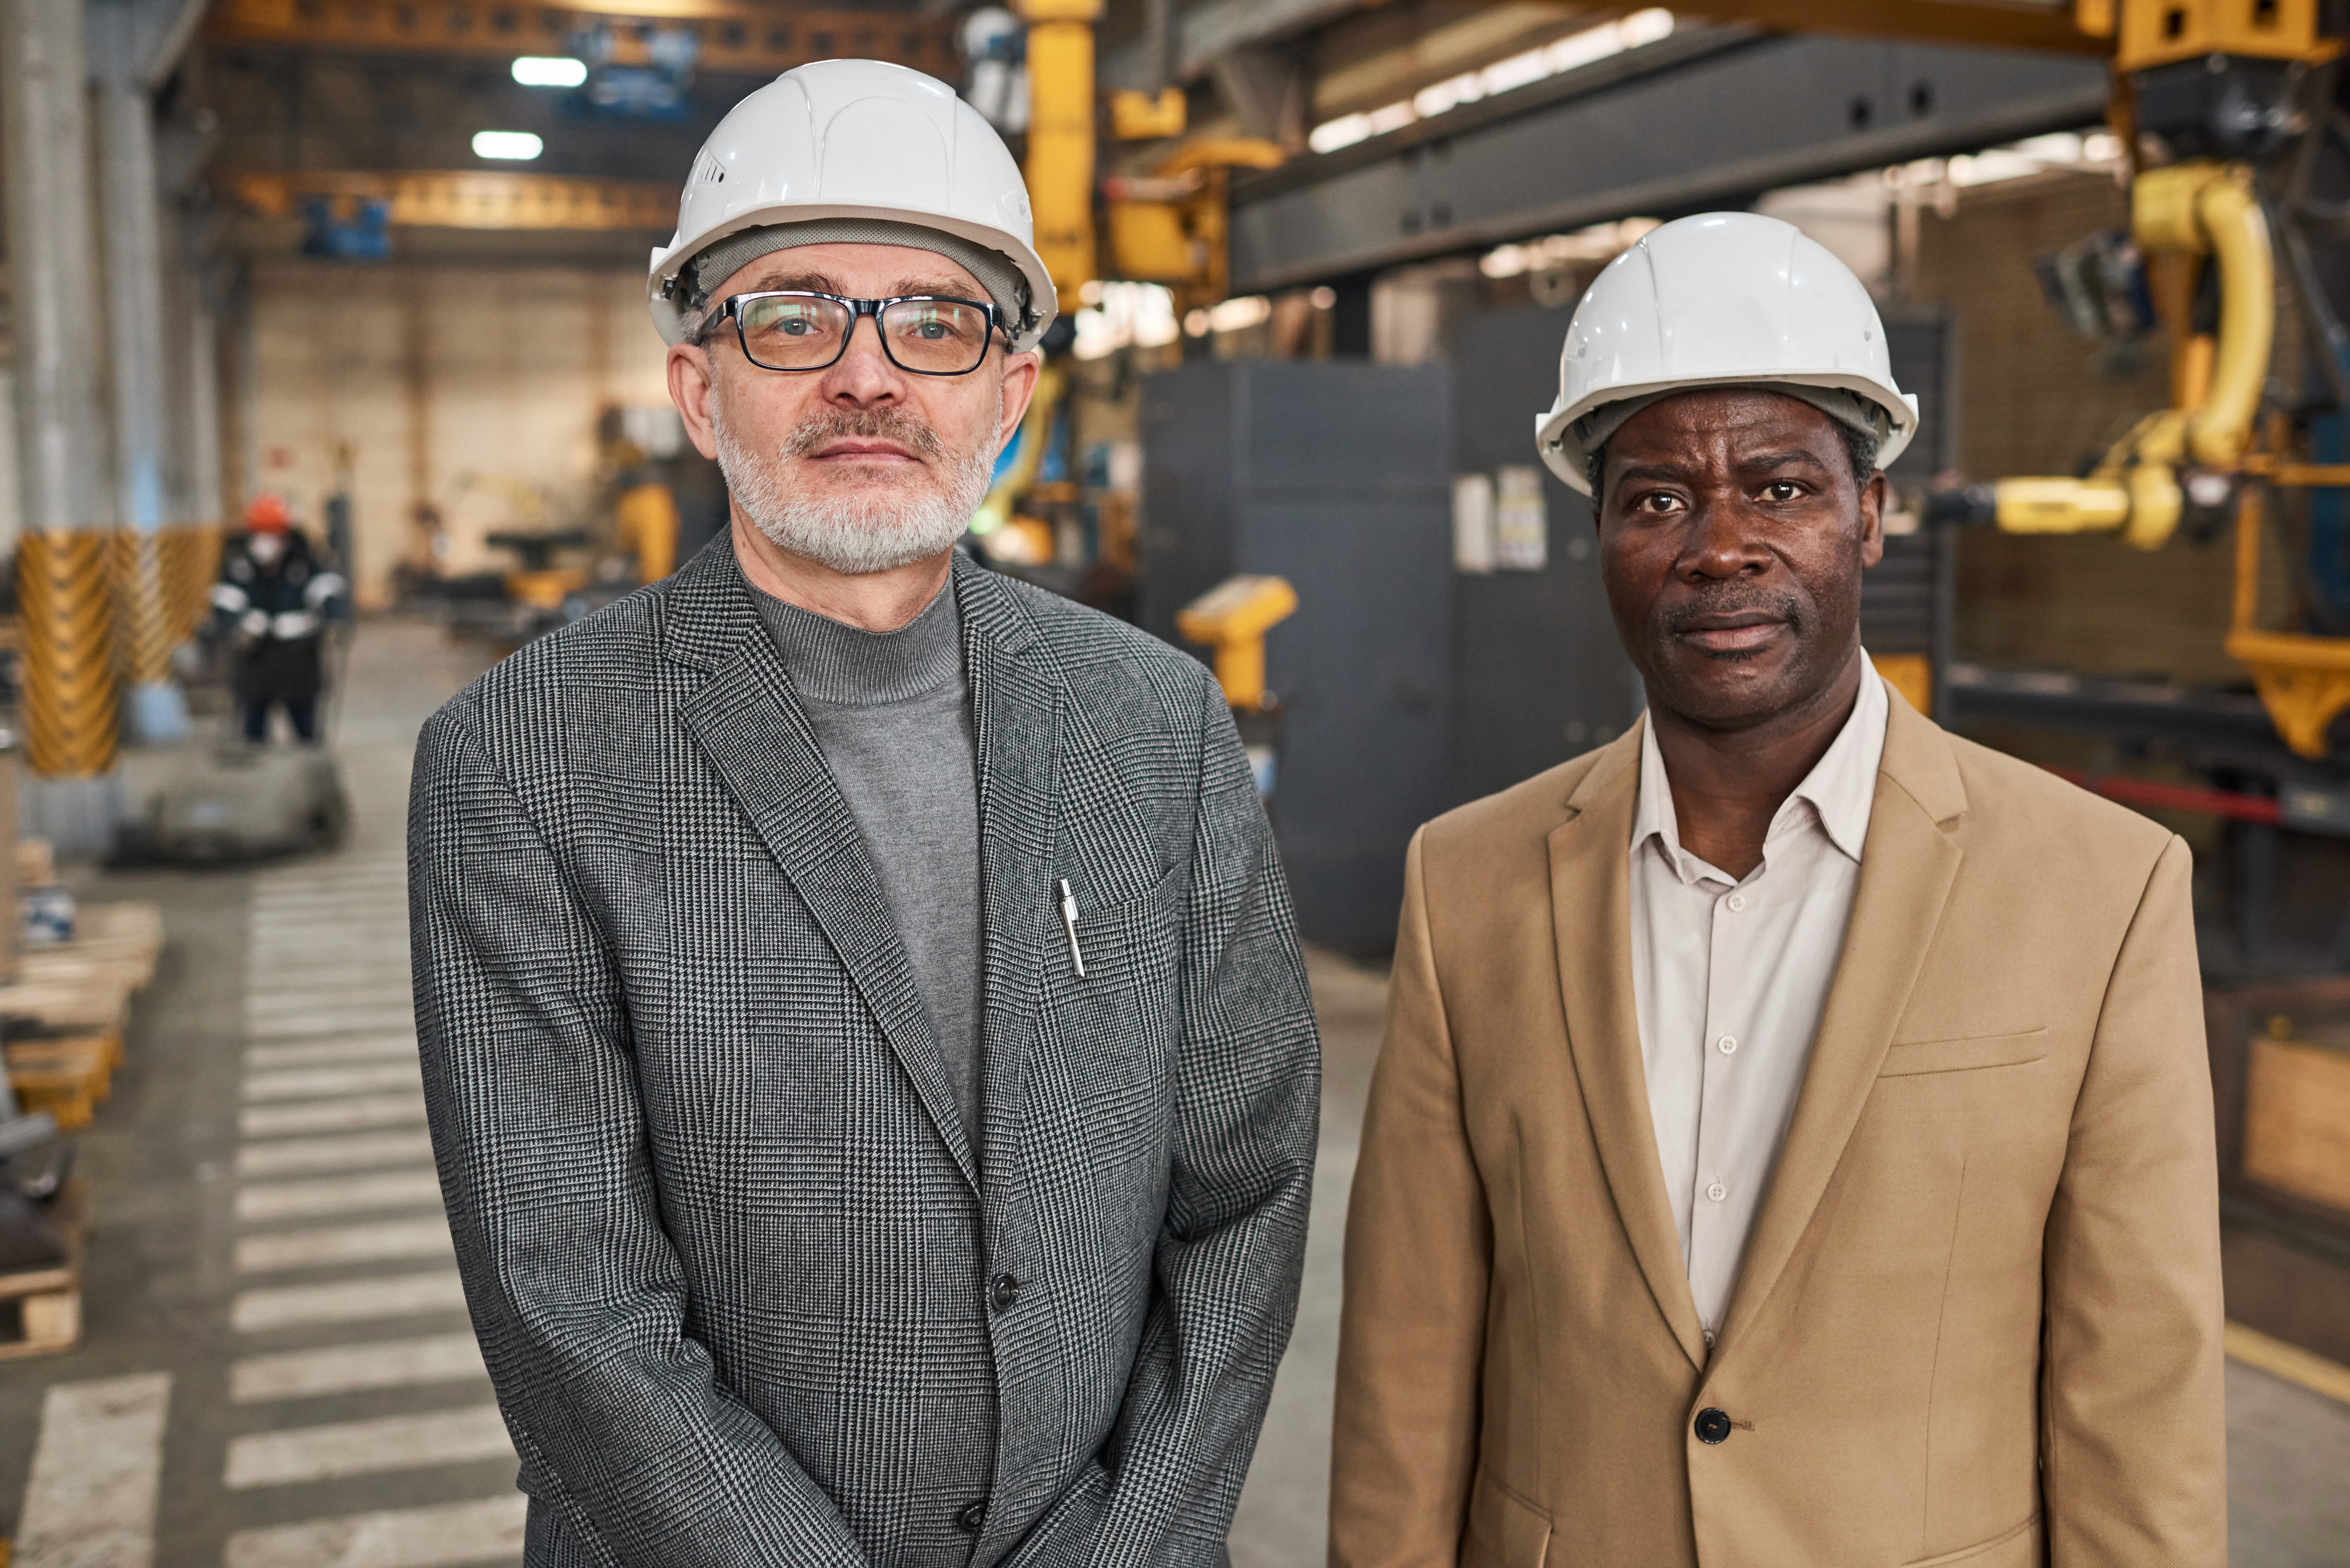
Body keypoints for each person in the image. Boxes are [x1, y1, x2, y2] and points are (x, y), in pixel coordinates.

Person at [408, 60, 1318, 1568]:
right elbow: (566, 1297)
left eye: (935, 318)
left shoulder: (1153, 722)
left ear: (1007, 390)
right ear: (701, 386)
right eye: (795, 313)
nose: (866, 373)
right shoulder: (525, 756)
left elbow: (1246, 1194)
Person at [1329, 213, 2224, 1567]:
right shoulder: (1468, 883)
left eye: (1784, 486)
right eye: (1657, 498)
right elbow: (1408, 1356)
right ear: (1603, 534)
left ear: (1873, 510)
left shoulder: (2099, 890)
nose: (1720, 545)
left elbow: (2139, 1391)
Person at [211, 493, 344, 743]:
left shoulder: (304, 561)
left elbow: (326, 588)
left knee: (306, 732)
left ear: (286, 536)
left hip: (298, 661)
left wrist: (335, 618)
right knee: (254, 733)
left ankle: (310, 770)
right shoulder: (239, 565)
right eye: (262, 534)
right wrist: (234, 631)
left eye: (274, 534)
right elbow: (225, 602)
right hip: (256, 661)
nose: (268, 542)